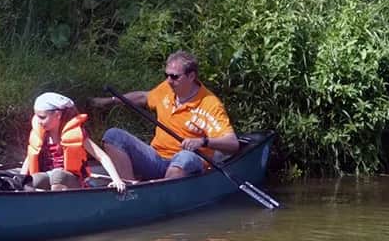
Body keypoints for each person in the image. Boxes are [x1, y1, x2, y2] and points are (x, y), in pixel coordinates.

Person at [90, 50, 239, 181]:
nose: (169, 81)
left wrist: (202, 141)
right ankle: (129, 189)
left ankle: (161, 192)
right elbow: (144, 97)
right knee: (113, 136)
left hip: (187, 164)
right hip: (156, 158)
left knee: (185, 157)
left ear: (191, 76)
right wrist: (109, 101)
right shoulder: (167, 88)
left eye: (174, 77)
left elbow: (232, 144)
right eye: (166, 75)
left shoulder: (210, 104)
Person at [20, 92, 126, 192]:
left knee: (58, 175)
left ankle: (57, 203)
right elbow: (30, 157)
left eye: (42, 117)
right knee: (33, 180)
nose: (38, 121)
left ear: (58, 115)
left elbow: (102, 156)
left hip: (72, 181)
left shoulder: (75, 133)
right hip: (49, 176)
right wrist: (21, 179)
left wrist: (117, 180)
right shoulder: (42, 135)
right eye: (36, 116)